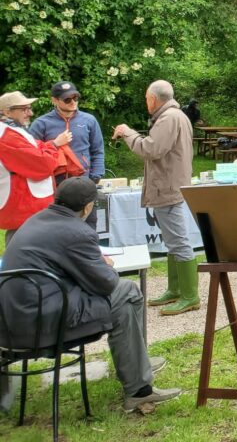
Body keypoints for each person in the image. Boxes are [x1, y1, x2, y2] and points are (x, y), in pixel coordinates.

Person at [0, 177, 181, 413]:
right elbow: (106, 283)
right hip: (42, 326)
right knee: (127, 292)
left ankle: (138, 371)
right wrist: (103, 263)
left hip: (12, 323)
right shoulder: (76, 231)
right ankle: (138, 387)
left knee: (124, 297)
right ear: (87, 207)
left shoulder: (35, 221)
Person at [112, 80, 200, 317]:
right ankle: (176, 289)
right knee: (173, 240)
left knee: (178, 241)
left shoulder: (169, 118)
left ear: (153, 99)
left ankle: (190, 296)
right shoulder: (176, 115)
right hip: (171, 186)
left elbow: (149, 149)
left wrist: (127, 132)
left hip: (168, 189)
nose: (145, 102)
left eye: (146, 98)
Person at [30, 81, 105, 231]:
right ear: (54, 100)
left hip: (84, 182)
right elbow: (32, 154)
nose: (73, 102)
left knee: (88, 226)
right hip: (54, 185)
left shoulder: (89, 120)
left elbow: (97, 151)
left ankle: (86, 253)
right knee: (56, 228)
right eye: (67, 99)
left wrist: (95, 178)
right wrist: (55, 144)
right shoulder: (41, 123)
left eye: (75, 98)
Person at [0, 90, 64, 243]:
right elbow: (43, 164)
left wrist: (45, 148)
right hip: (24, 210)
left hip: (27, 209)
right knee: (25, 258)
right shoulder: (7, 136)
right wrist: (53, 145)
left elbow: (38, 147)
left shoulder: (14, 131)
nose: (30, 112)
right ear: (7, 112)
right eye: (24, 109)